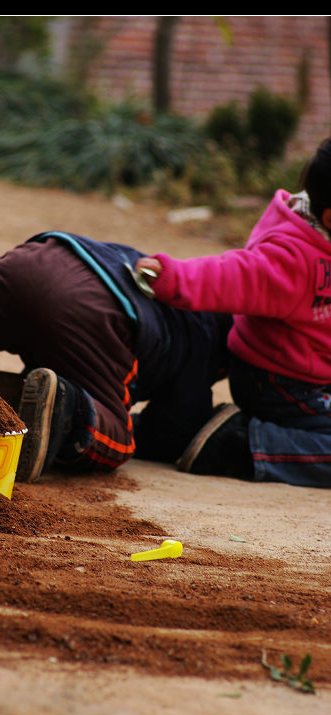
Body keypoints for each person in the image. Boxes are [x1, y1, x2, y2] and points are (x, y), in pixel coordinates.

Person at [0, 229, 230, 482]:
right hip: (90, 312)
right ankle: (67, 405)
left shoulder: (190, 282)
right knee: (119, 438)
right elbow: (171, 435)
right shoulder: (207, 345)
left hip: (40, 259)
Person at [136, 137, 331, 489]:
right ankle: (236, 443)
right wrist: (173, 276)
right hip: (280, 383)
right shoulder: (294, 259)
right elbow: (232, 275)